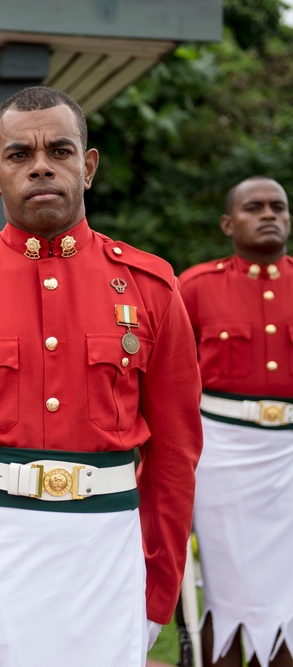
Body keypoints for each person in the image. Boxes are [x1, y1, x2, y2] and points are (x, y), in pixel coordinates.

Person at [0, 85, 203, 666]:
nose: (41, 167)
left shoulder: (151, 287)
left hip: (105, 552)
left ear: (86, 167)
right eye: (19, 155)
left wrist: (159, 586)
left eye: (59, 151)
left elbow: (176, 455)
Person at [179, 176, 293, 667]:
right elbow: (169, 379)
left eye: (278, 207)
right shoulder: (196, 287)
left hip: (290, 453)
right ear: (229, 223)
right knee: (226, 589)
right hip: (221, 452)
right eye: (254, 207)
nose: (269, 214)